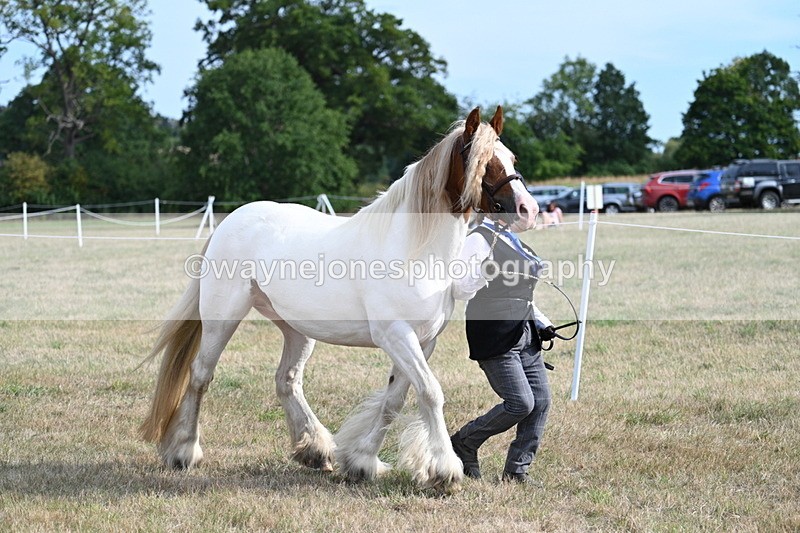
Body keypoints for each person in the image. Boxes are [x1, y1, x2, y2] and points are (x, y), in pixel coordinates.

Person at [450, 215, 556, 485]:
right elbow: (460, 287)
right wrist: (484, 273)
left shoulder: (510, 238)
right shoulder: (478, 239)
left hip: (525, 330)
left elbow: (520, 294)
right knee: (521, 403)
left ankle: (517, 470)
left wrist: (543, 323)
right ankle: (464, 441)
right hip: (494, 331)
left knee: (541, 401)